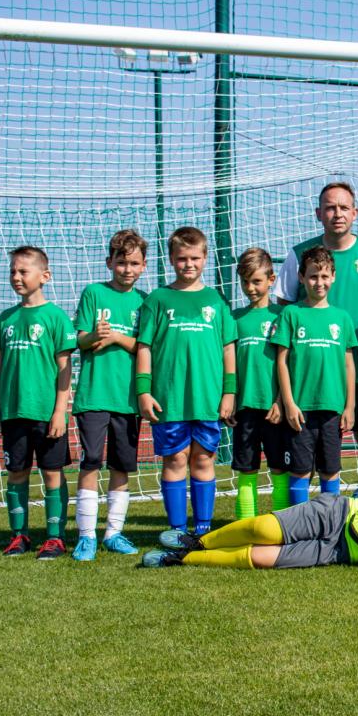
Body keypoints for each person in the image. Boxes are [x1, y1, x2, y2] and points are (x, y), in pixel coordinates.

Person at [142, 441, 358, 571]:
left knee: (261, 558)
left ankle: (181, 558)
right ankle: (197, 541)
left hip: (340, 552)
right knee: (262, 529)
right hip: (336, 514)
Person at [277, 182, 358, 493]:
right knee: (307, 444)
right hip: (310, 375)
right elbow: (283, 304)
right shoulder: (299, 255)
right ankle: (303, 513)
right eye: (330, 207)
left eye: (344, 207)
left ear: (355, 213)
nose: (337, 214)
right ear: (318, 213)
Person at [136, 226, 237, 536]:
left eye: (195, 258)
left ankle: (203, 529)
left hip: (207, 397)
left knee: (204, 458)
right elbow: (144, 347)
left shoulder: (216, 300)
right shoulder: (158, 299)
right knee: (175, 458)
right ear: (171, 259)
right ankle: (177, 531)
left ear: (205, 258)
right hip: (170, 398)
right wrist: (143, 391)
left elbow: (228, 348)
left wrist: (229, 392)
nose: (188, 264)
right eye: (182, 258)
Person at [0, 246, 76, 558]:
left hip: (46, 412)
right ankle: (19, 536)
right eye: (12, 271)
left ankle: (55, 538)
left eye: (23, 271)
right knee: (17, 472)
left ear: (45, 276)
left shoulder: (56, 317)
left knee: (52, 473)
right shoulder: (5, 319)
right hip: (14, 412)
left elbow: (65, 368)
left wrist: (60, 411)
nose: (16, 276)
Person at [71, 230, 147, 560]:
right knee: (90, 461)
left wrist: (115, 337)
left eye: (134, 263)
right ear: (109, 263)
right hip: (94, 395)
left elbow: (146, 347)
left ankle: (113, 533)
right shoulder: (94, 293)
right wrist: (93, 336)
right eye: (121, 263)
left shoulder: (145, 301)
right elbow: (80, 340)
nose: (127, 269)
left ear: (144, 266)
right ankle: (86, 536)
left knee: (121, 466)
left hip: (127, 399)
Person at [271, 246, 358, 504]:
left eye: (324, 276)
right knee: (299, 469)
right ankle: (299, 522)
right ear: (301, 277)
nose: (319, 282)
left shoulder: (342, 318)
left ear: (333, 277)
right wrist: (288, 403)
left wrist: (350, 406)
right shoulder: (291, 314)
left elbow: (349, 365)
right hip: (300, 408)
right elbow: (282, 361)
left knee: (330, 469)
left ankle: (329, 522)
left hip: (332, 407)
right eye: (312, 276)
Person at [229, 247, 289, 519]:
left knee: (280, 469)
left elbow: (290, 364)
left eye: (256, 281)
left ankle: (282, 527)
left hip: (275, 408)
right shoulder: (234, 318)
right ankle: (246, 526)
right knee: (246, 470)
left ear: (271, 279)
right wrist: (230, 396)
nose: (250, 288)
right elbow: (228, 363)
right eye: (245, 282)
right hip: (245, 407)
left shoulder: (283, 316)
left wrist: (280, 400)